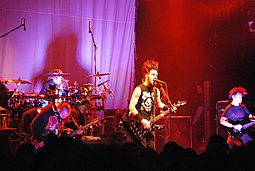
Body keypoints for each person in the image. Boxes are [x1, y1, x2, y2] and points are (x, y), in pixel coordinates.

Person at [122, 59, 170, 150]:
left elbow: (158, 103)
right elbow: (131, 107)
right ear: (146, 74)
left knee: (151, 149)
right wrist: (142, 120)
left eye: (156, 75)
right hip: (137, 125)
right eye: (153, 74)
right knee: (141, 150)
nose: (155, 77)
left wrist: (167, 107)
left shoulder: (156, 90)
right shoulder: (139, 89)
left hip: (149, 124)